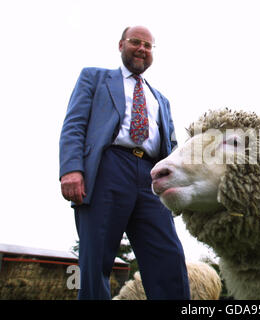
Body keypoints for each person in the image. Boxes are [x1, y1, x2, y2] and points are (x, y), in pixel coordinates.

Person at [59, 26, 190, 300]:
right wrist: (71, 169)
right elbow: (74, 125)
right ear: (121, 45)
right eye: (136, 42)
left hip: (151, 176)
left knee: (169, 255)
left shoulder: (161, 100)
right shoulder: (94, 78)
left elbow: (172, 145)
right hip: (108, 168)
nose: (142, 48)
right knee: (95, 260)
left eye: (148, 45)